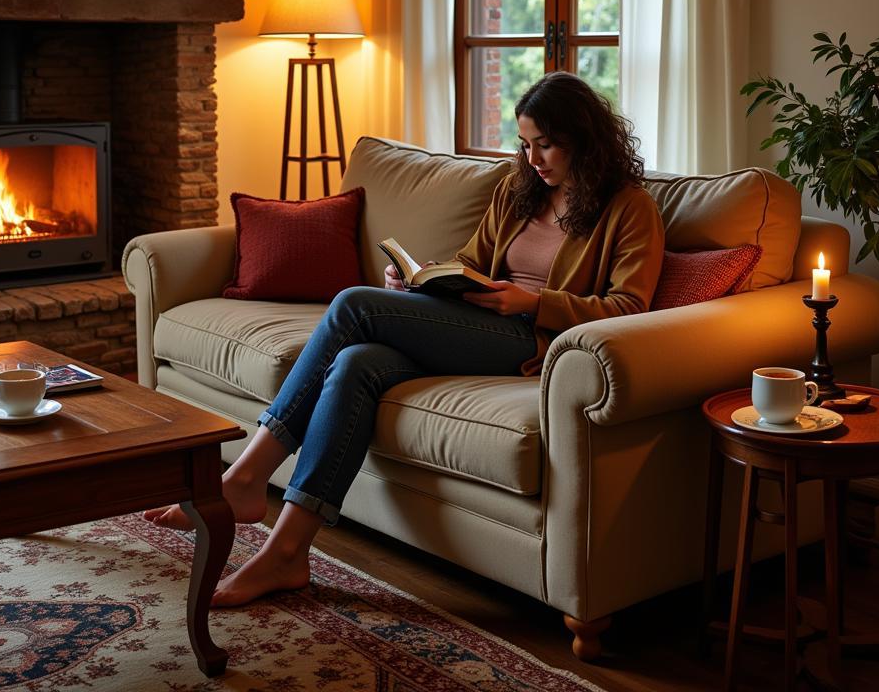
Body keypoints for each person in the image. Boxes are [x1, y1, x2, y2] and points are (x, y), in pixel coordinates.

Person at [144, 72, 665, 607]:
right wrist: (420, 282)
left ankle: (246, 475)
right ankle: (287, 554)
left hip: (533, 342)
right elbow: (471, 264)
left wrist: (533, 302)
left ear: (585, 137)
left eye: (546, 145)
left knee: (353, 304)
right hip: (480, 322)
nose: (533, 158)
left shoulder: (629, 208)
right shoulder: (520, 191)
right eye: (525, 144)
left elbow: (628, 308)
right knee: (355, 364)